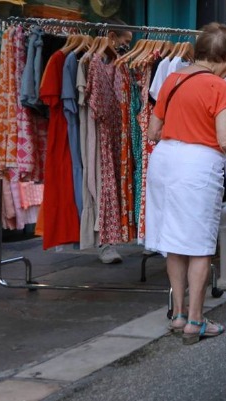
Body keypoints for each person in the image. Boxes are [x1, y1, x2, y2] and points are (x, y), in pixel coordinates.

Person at [145, 23, 226, 345]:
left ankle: (179, 314)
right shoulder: (221, 88)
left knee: (174, 241)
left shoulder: (172, 80)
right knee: (199, 246)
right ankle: (196, 320)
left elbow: (153, 131)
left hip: (164, 160)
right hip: (197, 165)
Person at [97, 25, 133, 264]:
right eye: (125, 40)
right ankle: (105, 242)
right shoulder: (96, 61)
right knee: (104, 182)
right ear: (112, 36)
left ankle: (111, 239)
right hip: (104, 130)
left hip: (120, 129)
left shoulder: (122, 61)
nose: (127, 45)